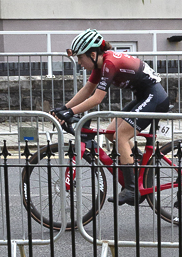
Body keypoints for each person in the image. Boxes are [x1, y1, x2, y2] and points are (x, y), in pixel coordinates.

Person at [51, 29, 170, 206]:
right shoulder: (100, 64)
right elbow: (87, 90)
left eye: (80, 58)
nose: (79, 63)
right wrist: (65, 108)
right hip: (144, 96)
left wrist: (70, 112)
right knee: (111, 132)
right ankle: (137, 166)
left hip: (155, 97)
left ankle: (131, 189)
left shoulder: (110, 63)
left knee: (121, 135)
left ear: (92, 54)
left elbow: (97, 98)